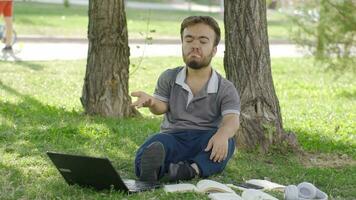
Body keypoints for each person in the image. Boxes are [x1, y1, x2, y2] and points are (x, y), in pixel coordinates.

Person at [131, 16, 240, 183]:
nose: (195, 45)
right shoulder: (169, 77)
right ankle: (160, 171)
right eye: (189, 40)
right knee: (152, 146)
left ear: (214, 49)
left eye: (203, 41)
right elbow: (161, 107)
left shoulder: (225, 88)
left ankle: (189, 170)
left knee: (228, 143)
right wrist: (152, 102)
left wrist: (223, 135)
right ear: (182, 44)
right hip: (173, 137)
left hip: (205, 141)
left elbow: (232, 120)